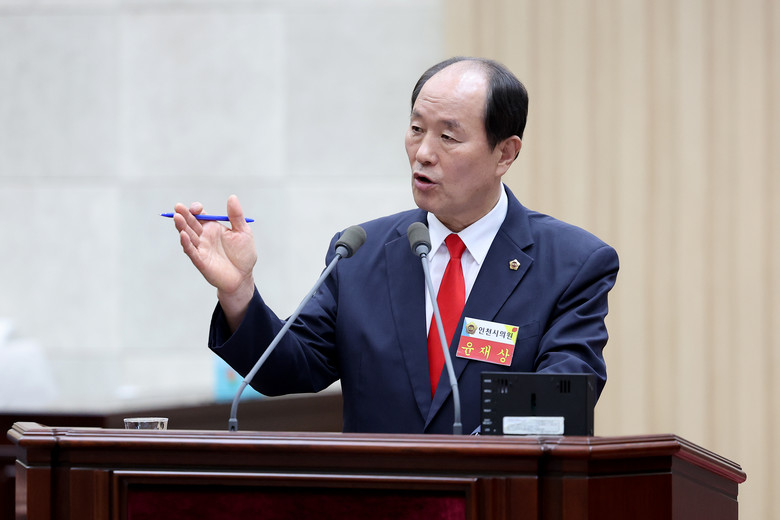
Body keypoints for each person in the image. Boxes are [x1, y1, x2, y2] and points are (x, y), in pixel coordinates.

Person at [172, 57, 619, 434]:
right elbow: (286, 368)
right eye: (416, 129)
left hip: (495, 496)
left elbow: (561, 402)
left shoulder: (571, 264)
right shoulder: (360, 252)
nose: (423, 152)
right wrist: (238, 292)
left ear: (505, 153)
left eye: (448, 137)